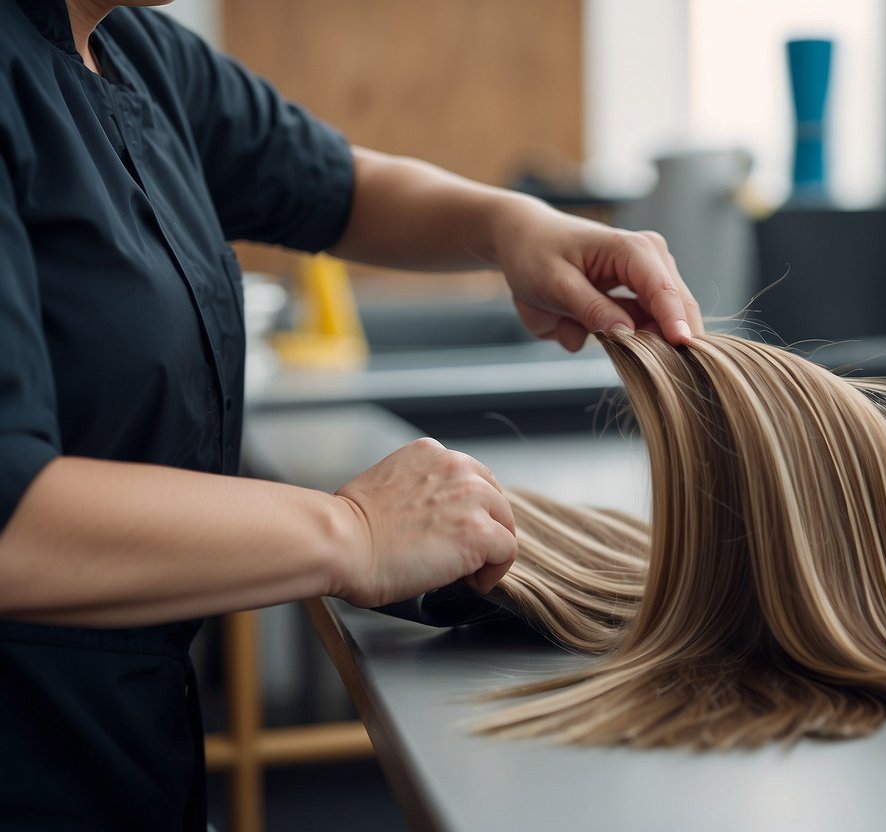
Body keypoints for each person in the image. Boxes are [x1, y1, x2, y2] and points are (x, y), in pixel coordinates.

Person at [0, 0, 703, 828]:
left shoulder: (131, 52)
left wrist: (511, 226)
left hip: (127, 756)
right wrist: (353, 533)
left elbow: (336, 186)